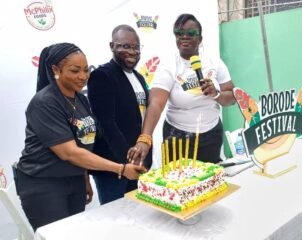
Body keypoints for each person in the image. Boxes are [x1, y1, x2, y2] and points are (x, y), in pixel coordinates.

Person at [16, 43, 146, 231]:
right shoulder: (45, 103)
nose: (83, 76)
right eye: (75, 71)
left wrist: (84, 178)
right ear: (55, 69)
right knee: (57, 235)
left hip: (74, 180)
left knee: (76, 233)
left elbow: (85, 143)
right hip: (45, 184)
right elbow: (70, 153)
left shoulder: (80, 99)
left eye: (85, 70)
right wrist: (121, 168)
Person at [128, 13, 236, 165]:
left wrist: (216, 93)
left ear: (200, 39)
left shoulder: (214, 62)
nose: (184, 37)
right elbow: (156, 104)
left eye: (191, 33)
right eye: (179, 33)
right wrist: (145, 138)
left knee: (208, 182)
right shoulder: (169, 66)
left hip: (211, 136)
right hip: (177, 138)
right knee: (180, 185)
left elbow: (232, 97)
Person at [87, 25, 152, 205]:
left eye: (135, 47)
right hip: (115, 168)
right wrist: (127, 162)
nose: (132, 51)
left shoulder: (139, 77)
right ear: (112, 46)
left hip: (137, 164)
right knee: (116, 222)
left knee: (138, 217)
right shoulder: (102, 76)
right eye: (125, 46)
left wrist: (141, 158)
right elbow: (106, 125)